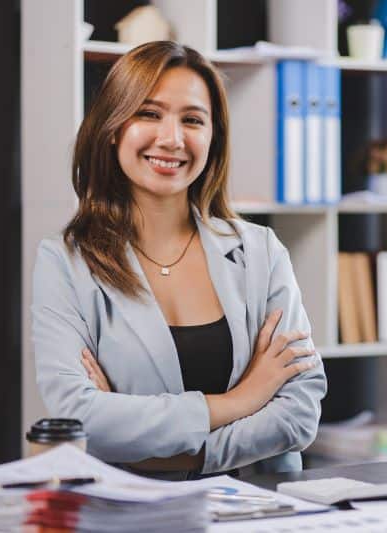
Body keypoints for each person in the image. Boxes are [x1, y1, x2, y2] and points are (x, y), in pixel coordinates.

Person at [31, 41, 326, 479]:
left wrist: (164, 456)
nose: (171, 139)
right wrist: (242, 400)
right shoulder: (65, 263)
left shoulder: (261, 251)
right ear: (113, 127)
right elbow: (80, 418)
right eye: (149, 114)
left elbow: (299, 411)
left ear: (213, 137)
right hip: (131, 510)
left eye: (192, 120)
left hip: (264, 506)